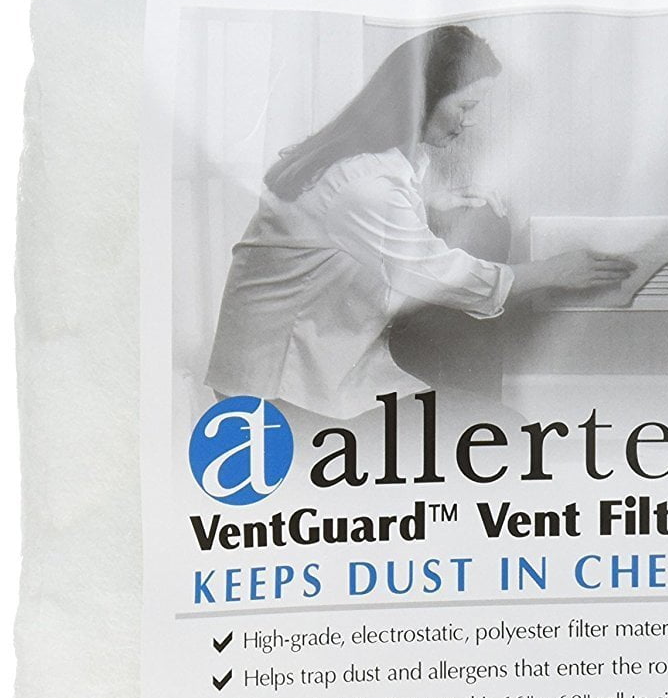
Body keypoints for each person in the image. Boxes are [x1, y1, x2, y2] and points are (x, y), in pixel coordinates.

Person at [205, 24, 634, 419]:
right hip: (275, 391)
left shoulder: (366, 162)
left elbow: (344, 233)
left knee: (491, 429)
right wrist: (553, 271)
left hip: (311, 362)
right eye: (466, 106)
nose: (470, 121)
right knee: (497, 431)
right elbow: (436, 275)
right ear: (422, 97)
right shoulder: (362, 182)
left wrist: (426, 207)